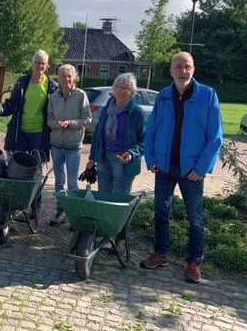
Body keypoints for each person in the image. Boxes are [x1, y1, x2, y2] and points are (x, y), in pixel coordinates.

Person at [141, 52, 223, 284]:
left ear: (193, 69)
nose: (183, 70)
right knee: (160, 212)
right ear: (171, 71)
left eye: (187, 66)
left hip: (192, 170)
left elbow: (215, 136)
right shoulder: (164, 96)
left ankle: (194, 264)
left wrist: (203, 167)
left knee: (195, 218)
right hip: (165, 168)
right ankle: (160, 254)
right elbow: (152, 130)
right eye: (178, 66)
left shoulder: (208, 95)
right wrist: (152, 159)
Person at [0, 50, 59, 214]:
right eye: (37, 63)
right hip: (19, 133)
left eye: (43, 63)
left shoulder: (52, 87)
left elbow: (58, 108)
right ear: (32, 64)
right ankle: (13, 206)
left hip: (39, 135)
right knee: (16, 170)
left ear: (47, 65)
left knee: (36, 171)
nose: (40, 66)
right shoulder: (22, 82)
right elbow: (12, 105)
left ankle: (34, 207)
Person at [86, 73, 145, 196]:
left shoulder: (136, 112)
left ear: (132, 91)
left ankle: (117, 216)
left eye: (126, 88)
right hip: (103, 157)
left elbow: (145, 140)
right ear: (114, 88)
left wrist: (131, 153)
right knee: (103, 196)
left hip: (123, 161)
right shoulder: (106, 110)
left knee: (119, 198)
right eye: (119, 87)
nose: (122, 91)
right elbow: (97, 135)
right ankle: (104, 216)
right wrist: (92, 158)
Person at [47, 64, 91, 226]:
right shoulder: (53, 97)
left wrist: (70, 123)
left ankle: (74, 215)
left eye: (69, 75)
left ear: (74, 77)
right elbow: (49, 119)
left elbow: (87, 119)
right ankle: (61, 211)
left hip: (73, 145)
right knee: (59, 182)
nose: (66, 79)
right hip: (57, 144)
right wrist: (56, 124)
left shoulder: (81, 96)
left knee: (72, 182)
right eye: (62, 75)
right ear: (58, 78)